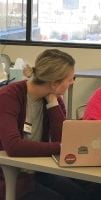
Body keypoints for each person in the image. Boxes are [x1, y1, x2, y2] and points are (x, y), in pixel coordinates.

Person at [0, 49, 89, 200]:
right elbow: (13, 146)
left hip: (37, 171)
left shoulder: (52, 97)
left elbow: (62, 137)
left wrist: (53, 104)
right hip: (10, 177)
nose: (72, 82)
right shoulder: (8, 97)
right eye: (70, 78)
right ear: (54, 83)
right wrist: (61, 148)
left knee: (83, 194)